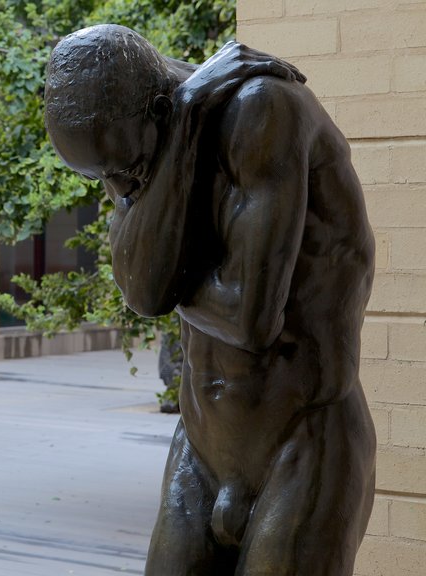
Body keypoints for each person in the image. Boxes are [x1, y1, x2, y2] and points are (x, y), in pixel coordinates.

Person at [44, 25, 376, 575]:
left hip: (299, 442)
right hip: (201, 450)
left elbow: (250, 318)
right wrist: (190, 114)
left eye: (125, 174)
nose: (123, 188)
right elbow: (144, 291)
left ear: (156, 108)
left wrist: (166, 271)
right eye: (108, 178)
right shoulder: (126, 137)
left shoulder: (263, 109)